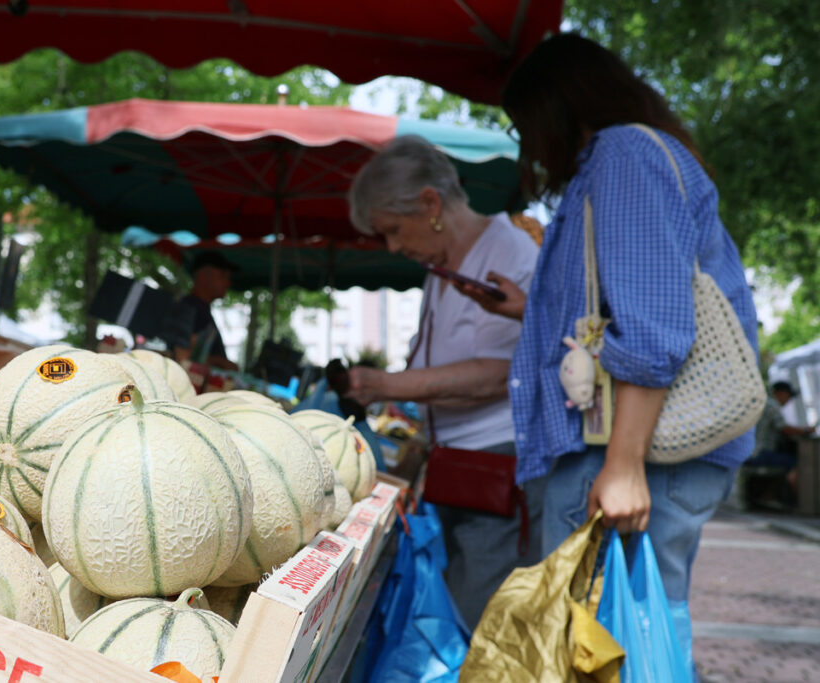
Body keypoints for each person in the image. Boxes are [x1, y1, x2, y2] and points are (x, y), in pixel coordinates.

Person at [457, 33, 759, 666]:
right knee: (629, 629)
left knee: (604, 640)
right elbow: (628, 304)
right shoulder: (635, 157)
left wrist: (624, 465)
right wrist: (527, 308)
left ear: (554, 109)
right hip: (646, 450)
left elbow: (650, 327)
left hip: (628, 452)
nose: (528, 146)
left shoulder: (622, 155)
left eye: (524, 127)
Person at [343, 134, 544, 630]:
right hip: (461, 464)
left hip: (497, 468)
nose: (393, 246)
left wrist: (385, 384)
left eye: (393, 229)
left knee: (474, 622)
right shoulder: (442, 265)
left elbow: (499, 374)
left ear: (430, 203)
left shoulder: (506, 252)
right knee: (455, 614)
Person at [744, 381, 814, 507]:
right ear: (780, 393)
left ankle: (769, 496)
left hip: (751, 452)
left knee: (785, 459)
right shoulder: (772, 405)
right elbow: (784, 429)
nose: (789, 401)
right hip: (760, 453)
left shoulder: (763, 403)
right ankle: (799, 502)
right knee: (798, 463)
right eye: (789, 396)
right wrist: (805, 430)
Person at [178, 251, 239, 371]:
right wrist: (221, 362)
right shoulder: (190, 308)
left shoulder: (201, 309)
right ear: (203, 275)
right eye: (223, 276)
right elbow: (183, 356)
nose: (228, 283)